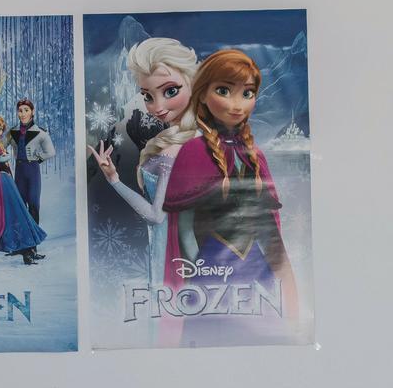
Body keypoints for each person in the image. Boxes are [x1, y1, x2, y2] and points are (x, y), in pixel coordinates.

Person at [158, 48, 299, 342]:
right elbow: (184, 229)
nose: (237, 105)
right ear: (202, 95)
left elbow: (269, 232)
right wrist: (199, 274)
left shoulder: (255, 155)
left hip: (258, 276)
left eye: (247, 93)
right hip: (210, 275)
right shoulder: (193, 152)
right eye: (224, 91)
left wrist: (286, 285)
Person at [90, 37, 196, 292]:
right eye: (148, 96)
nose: (157, 107)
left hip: (167, 252)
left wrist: (114, 181)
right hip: (176, 249)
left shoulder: (172, 150)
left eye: (170, 91)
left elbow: (156, 216)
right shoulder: (185, 140)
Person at [0, 114, 47, 264]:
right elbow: (1, 158)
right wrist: (4, 154)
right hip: (1, 182)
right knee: (17, 214)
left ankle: (29, 250)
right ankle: (26, 252)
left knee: (19, 214)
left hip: (6, 180)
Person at [7, 100, 56, 249]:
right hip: (19, 171)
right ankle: (21, 244)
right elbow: (0, 146)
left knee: (33, 205)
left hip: (32, 170)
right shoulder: (12, 132)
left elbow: (51, 152)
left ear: (32, 112)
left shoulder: (40, 132)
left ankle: (32, 246)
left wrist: (37, 158)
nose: (23, 114)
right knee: (20, 206)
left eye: (26, 110)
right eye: (20, 110)